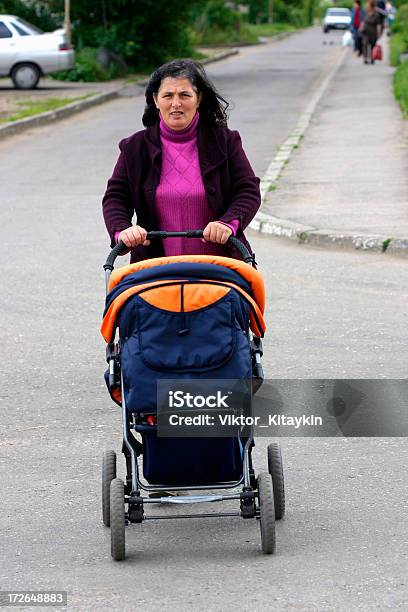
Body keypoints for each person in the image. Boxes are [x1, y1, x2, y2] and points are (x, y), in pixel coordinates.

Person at [102, 59, 261, 263]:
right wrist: (122, 231)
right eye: (168, 95)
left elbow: (248, 189)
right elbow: (116, 197)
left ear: (199, 98)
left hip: (221, 271)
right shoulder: (134, 148)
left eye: (185, 95)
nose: (176, 103)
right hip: (155, 271)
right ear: (156, 100)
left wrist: (227, 224)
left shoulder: (226, 141)